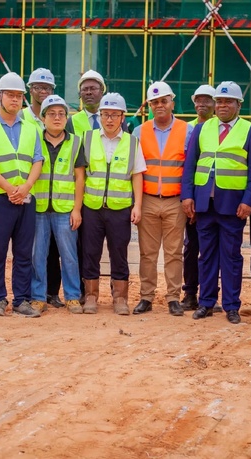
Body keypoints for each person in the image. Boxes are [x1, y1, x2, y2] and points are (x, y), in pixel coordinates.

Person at [181, 81, 251, 323]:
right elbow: (190, 165)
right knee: (205, 256)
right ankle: (206, 302)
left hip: (233, 206)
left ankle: (231, 306)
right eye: (220, 101)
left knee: (231, 256)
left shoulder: (250, 131)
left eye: (228, 101)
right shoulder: (202, 129)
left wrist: (248, 202)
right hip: (205, 204)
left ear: (239, 104)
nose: (223, 105)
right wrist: (188, 196)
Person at [0, 72, 44, 318]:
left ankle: (21, 300)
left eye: (18, 95)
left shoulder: (31, 129)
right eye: (10, 95)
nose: (15, 99)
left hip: (25, 199)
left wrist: (25, 188)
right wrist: (9, 189)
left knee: (24, 253)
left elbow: (37, 161)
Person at [81, 92, 145, 315]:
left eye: (114, 115)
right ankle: (91, 296)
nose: (109, 119)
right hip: (92, 207)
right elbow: (80, 175)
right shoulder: (87, 139)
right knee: (90, 252)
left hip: (120, 209)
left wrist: (137, 206)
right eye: (105, 114)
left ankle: (120, 298)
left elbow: (137, 175)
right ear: (99, 116)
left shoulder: (132, 142)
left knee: (119, 253)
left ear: (122, 117)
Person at [132, 82, 191, 316]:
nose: (160, 105)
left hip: (175, 201)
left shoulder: (187, 131)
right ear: (149, 106)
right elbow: (135, 170)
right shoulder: (139, 131)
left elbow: (189, 168)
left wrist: (188, 200)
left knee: (174, 252)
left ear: (172, 103)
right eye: (155, 102)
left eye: (164, 101)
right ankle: (146, 296)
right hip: (147, 200)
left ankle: (173, 297)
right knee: (147, 252)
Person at [31, 95, 86, 314]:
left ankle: (72, 296)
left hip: (65, 210)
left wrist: (77, 209)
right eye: (51, 114)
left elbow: (79, 178)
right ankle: (38, 297)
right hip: (39, 208)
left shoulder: (75, 142)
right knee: (38, 255)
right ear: (43, 118)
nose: (57, 118)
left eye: (61, 114)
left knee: (69, 256)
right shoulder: (34, 140)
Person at [21, 67, 65, 309]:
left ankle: (52, 293)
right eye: (38, 87)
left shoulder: (58, 114)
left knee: (55, 250)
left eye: (47, 87)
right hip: (32, 193)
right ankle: (33, 293)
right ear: (31, 90)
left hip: (56, 196)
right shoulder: (23, 118)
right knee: (34, 248)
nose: (42, 91)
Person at [183, 84, 216, 311]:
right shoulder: (187, 129)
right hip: (193, 201)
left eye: (207, 100)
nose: (201, 104)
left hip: (214, 200)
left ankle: (209, 295)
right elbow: (188, 167)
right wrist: (190, 199)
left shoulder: (219, 128)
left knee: (212, 250)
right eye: (198, 100)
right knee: (191, 247)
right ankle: (190, 293)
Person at [67, 70, 106, 138]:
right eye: (84, 89)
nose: (88, 92)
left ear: (101, 91)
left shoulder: (114, 119)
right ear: (80, 95)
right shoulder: (71, 122)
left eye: (93, 88)